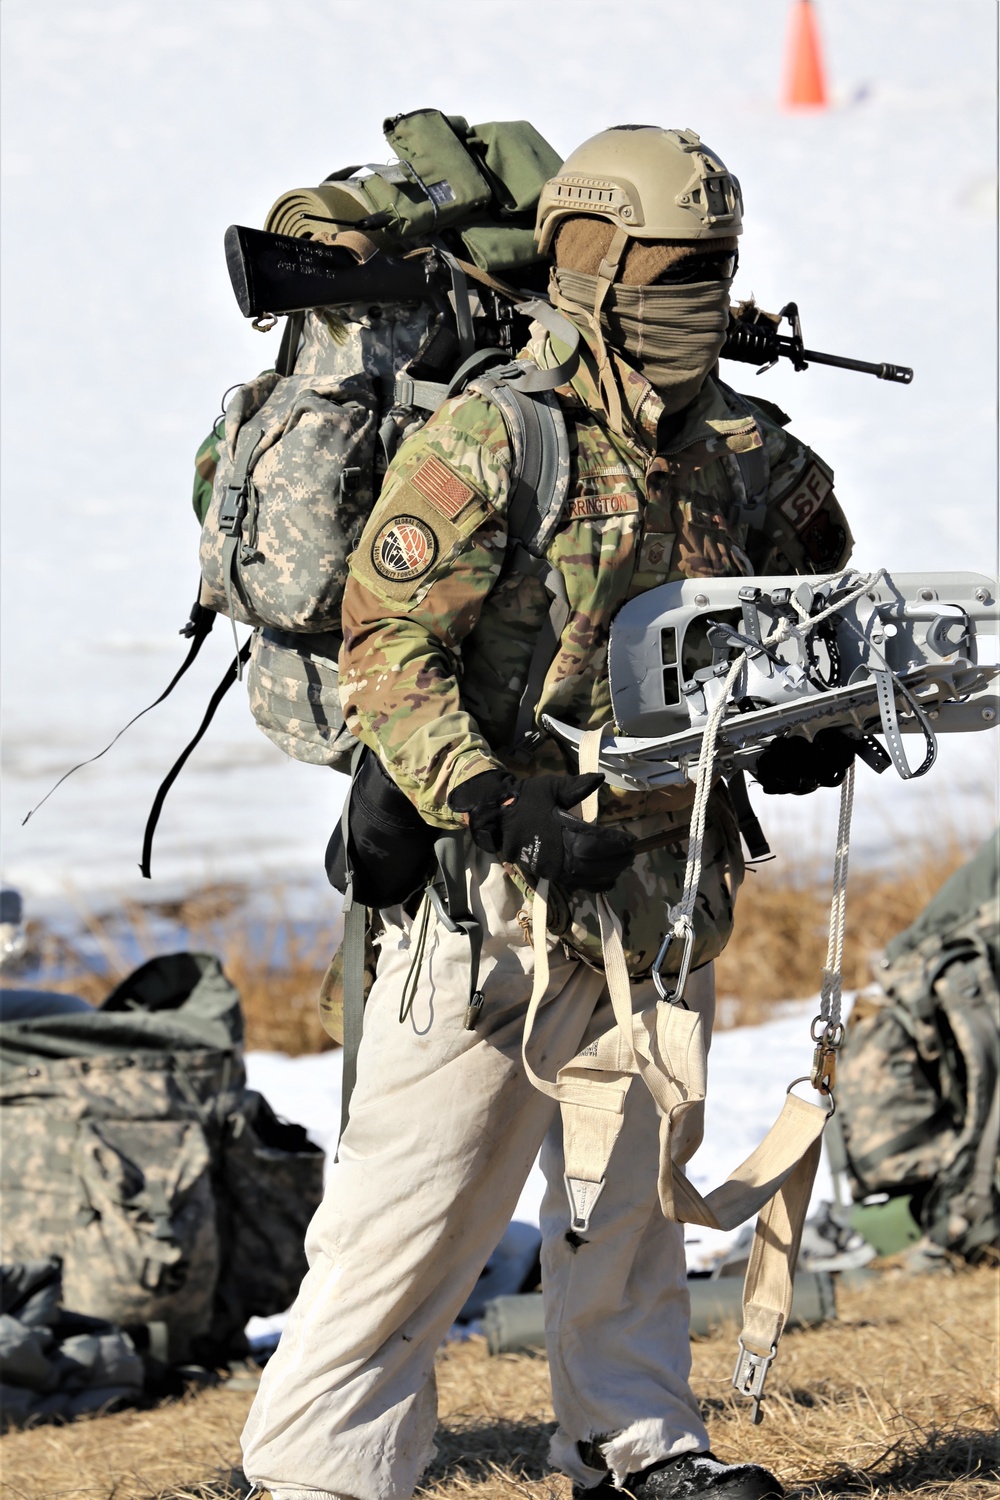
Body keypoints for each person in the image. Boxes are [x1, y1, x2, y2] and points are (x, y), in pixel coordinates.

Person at [241, 125, 854, 1500]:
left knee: (628, 1206)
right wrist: (498, 803)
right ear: (591, 264)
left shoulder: (747, 452)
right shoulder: (496, 435)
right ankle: (321, 1474)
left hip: (662, 897)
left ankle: (635, 1448)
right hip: (492, 904)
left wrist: (818, 717)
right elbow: (387, 646)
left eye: (715, 268)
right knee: (411, 1221)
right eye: (669, 269)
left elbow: (816, 599)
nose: (697, 295)